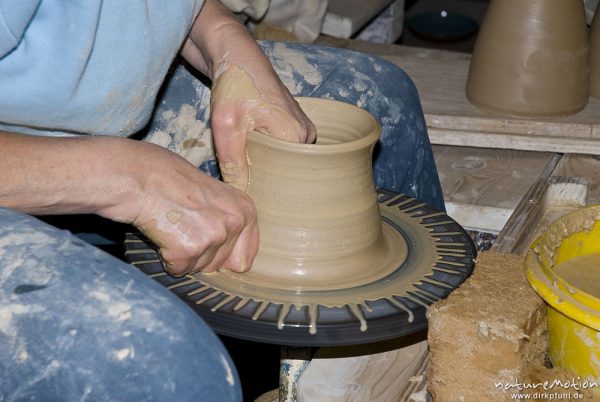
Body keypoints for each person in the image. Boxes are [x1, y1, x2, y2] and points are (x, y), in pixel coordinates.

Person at [0, 0, 444, 400]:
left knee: (379, 95)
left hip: (55, 98)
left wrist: (225, 42)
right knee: (164, 364)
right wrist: (118, 175)